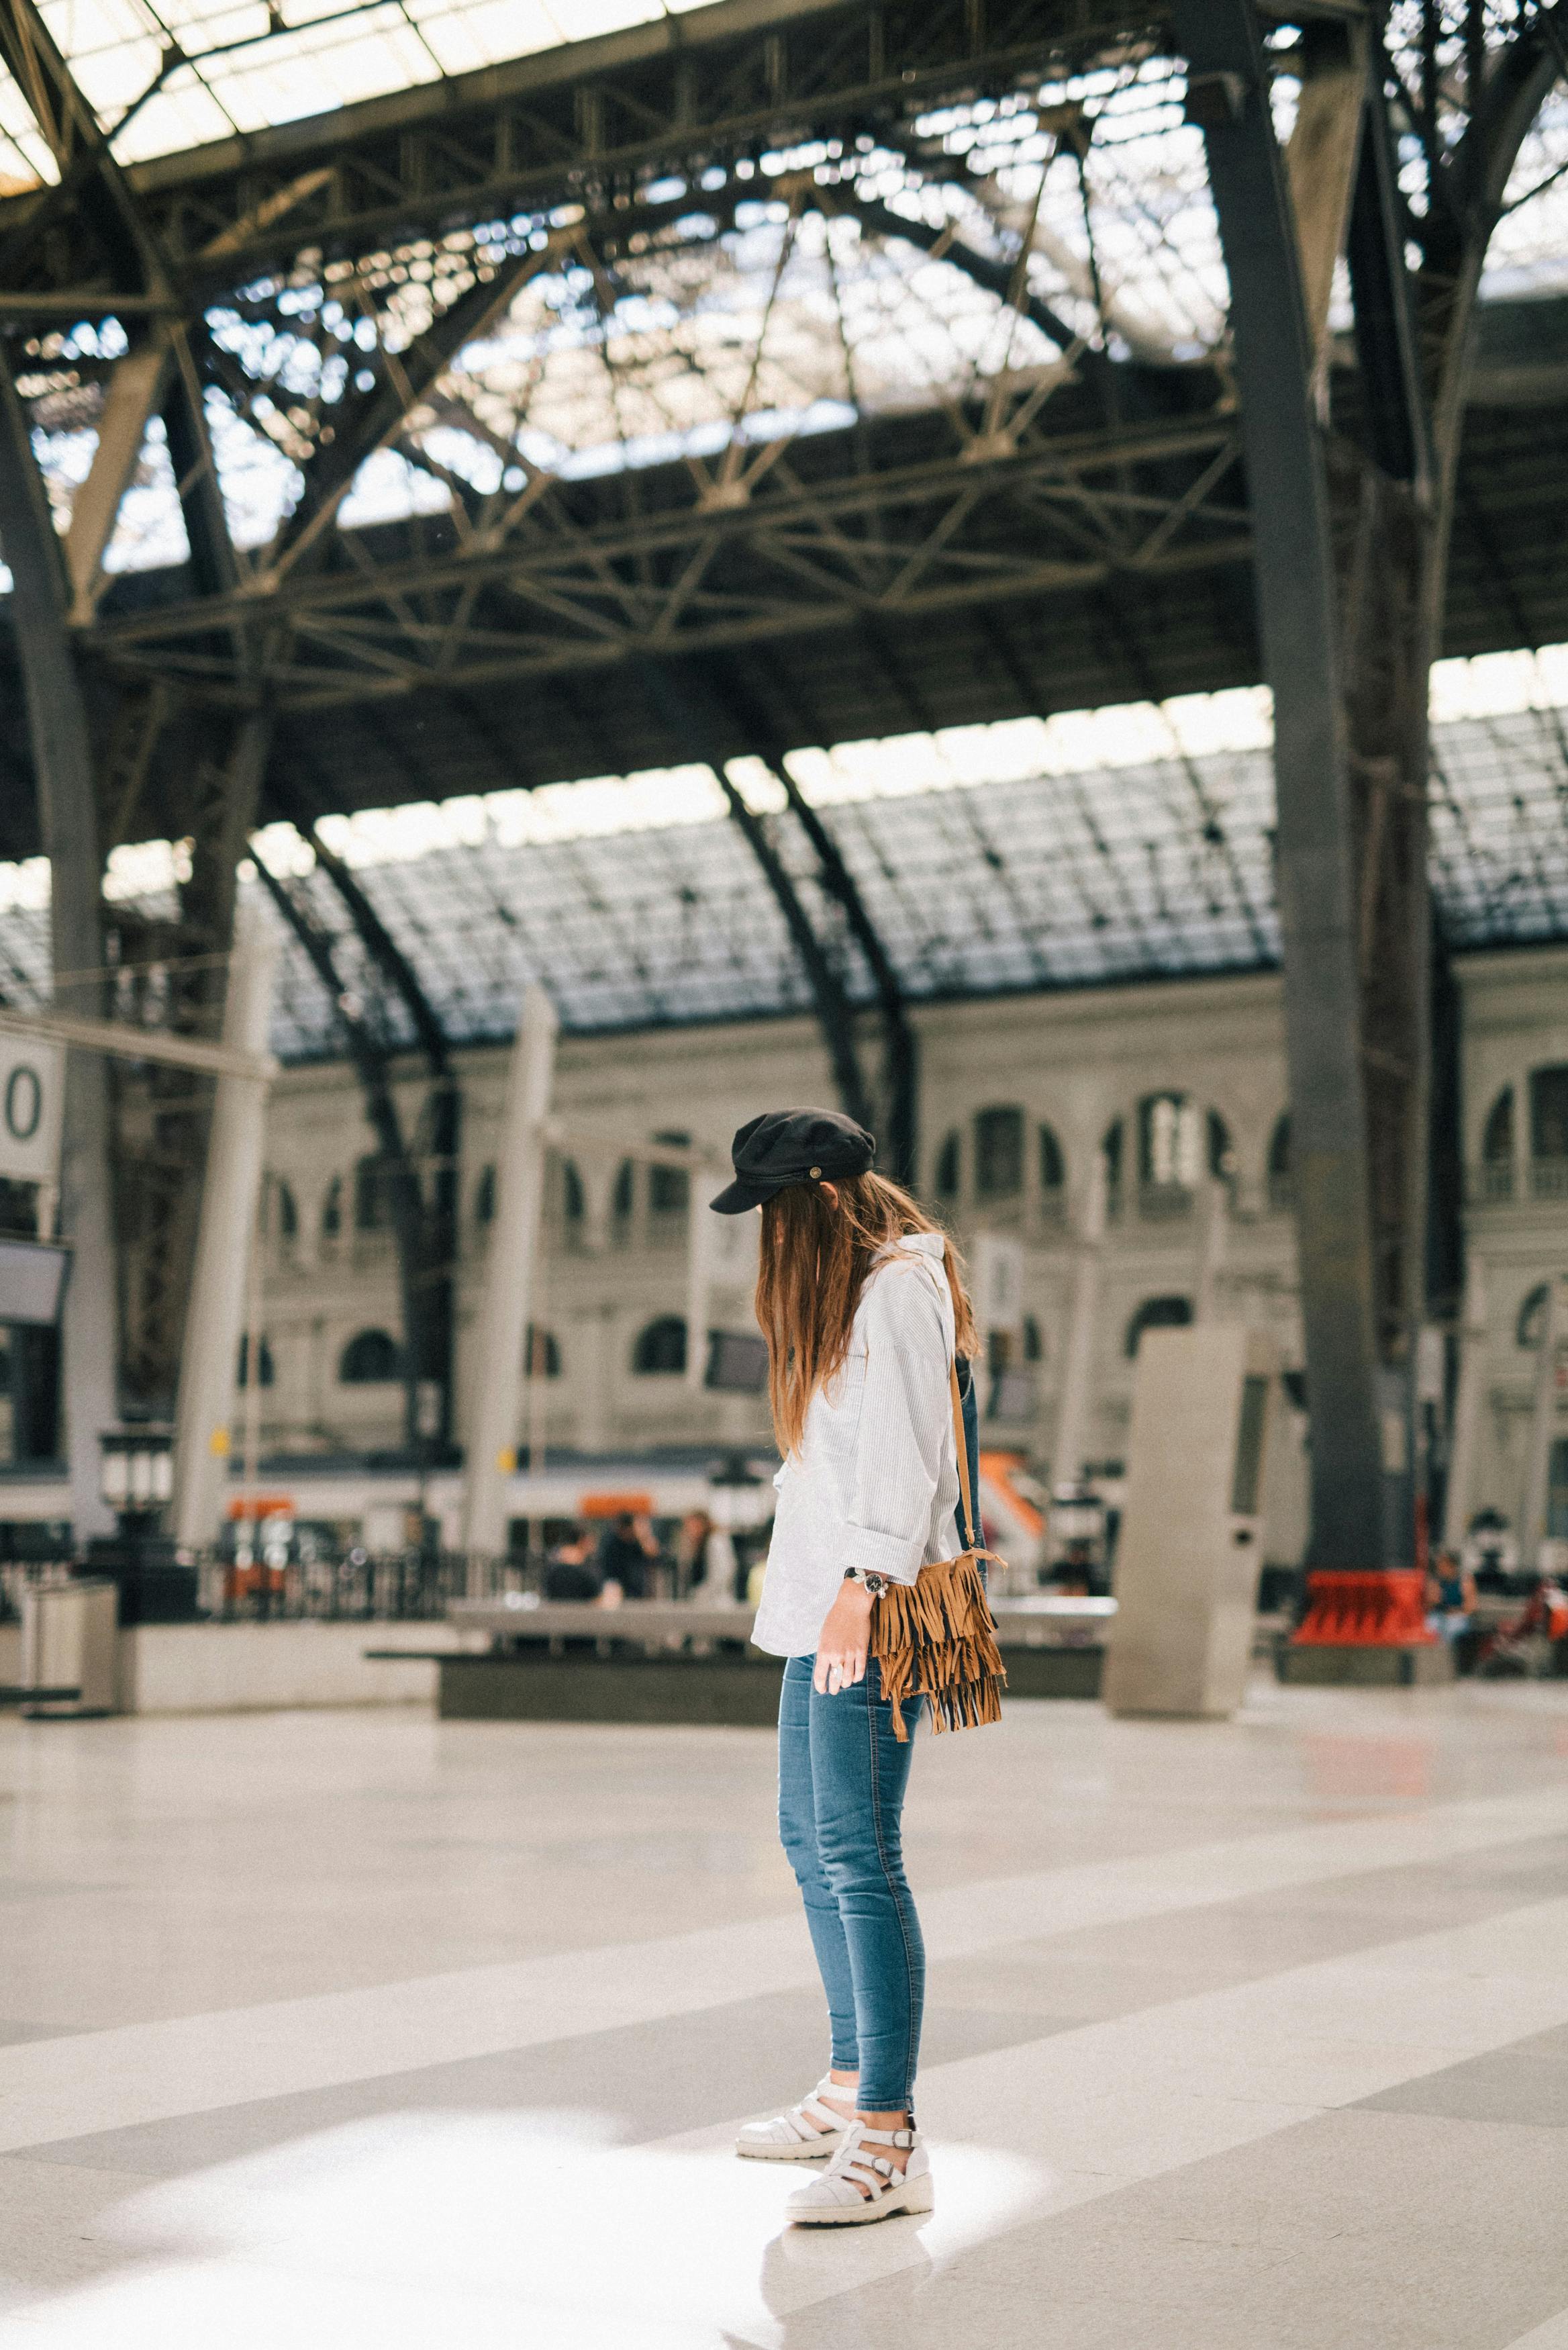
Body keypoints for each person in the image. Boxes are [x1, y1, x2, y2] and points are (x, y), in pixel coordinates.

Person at [713, 1104, 981, 2227]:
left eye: (773, 1211)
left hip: (867, 1609)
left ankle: (889, 2132)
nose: (765, 1239)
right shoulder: (849, 1299)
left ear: (819, 1200)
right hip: (819, 1609)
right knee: (808, 1839)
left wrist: (863, 1591)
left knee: (861, 1855)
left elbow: (910, 1457)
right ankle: (844, 2083)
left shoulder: (898, 1291)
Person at [594, 1511, 659, 1601]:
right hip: (616, 1591)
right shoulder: (611, 1543)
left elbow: (653, 1554)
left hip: (637, 1593)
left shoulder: (637, 1543)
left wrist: (644, 1534)